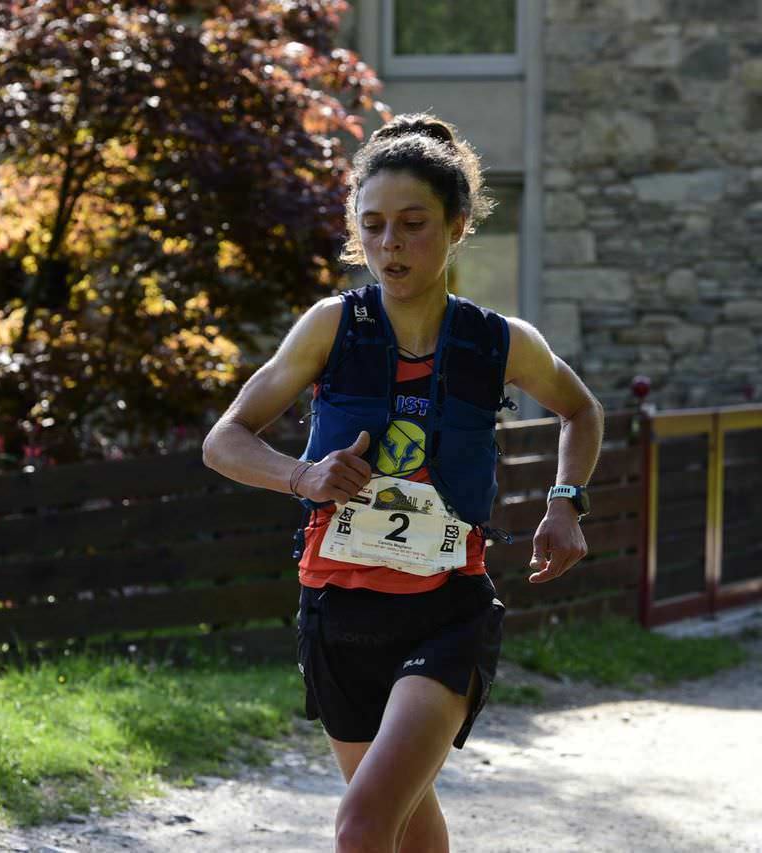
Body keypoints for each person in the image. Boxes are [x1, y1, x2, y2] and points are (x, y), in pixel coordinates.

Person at [202, 113, 603, 853]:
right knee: (409, 829)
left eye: (413, 225)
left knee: (362, 825)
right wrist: (303, 475)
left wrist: (565, 502)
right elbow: (224, 440)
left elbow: (581, 410)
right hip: (338, 610)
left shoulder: (499, 341)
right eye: (374, 225)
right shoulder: (332, 327)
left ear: (456, 226)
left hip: (446, 611)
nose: (390, 244)